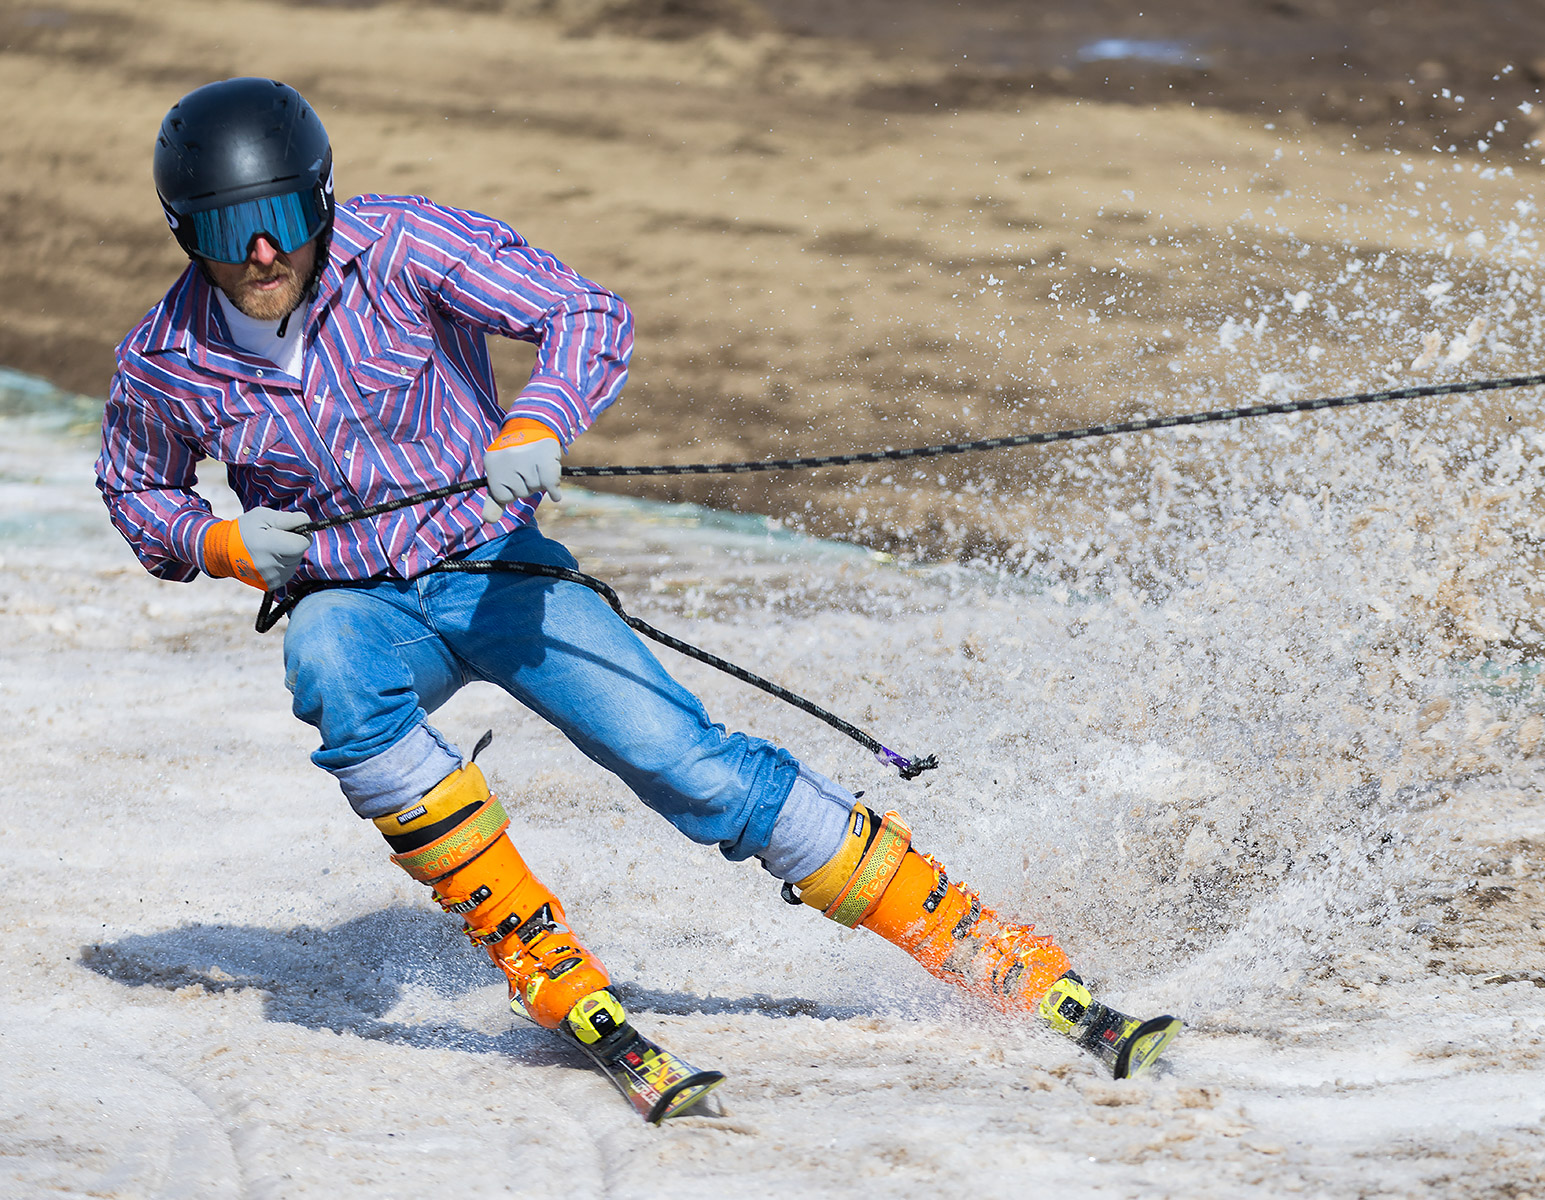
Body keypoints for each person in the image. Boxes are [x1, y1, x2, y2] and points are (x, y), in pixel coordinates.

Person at [98, 77, 1174, 1092]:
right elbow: (136, 488)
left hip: (499, 573)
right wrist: (221, 545)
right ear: (184, 230)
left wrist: (537, 420)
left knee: (688, 767)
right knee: (323, 655)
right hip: (360, 606)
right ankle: (539, 957)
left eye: (281, 212)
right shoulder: (163, 357)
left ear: (320, 196)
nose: (264, 249)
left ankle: (988, 948)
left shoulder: (406, 242)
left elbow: (584, 314)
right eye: (227, 229)